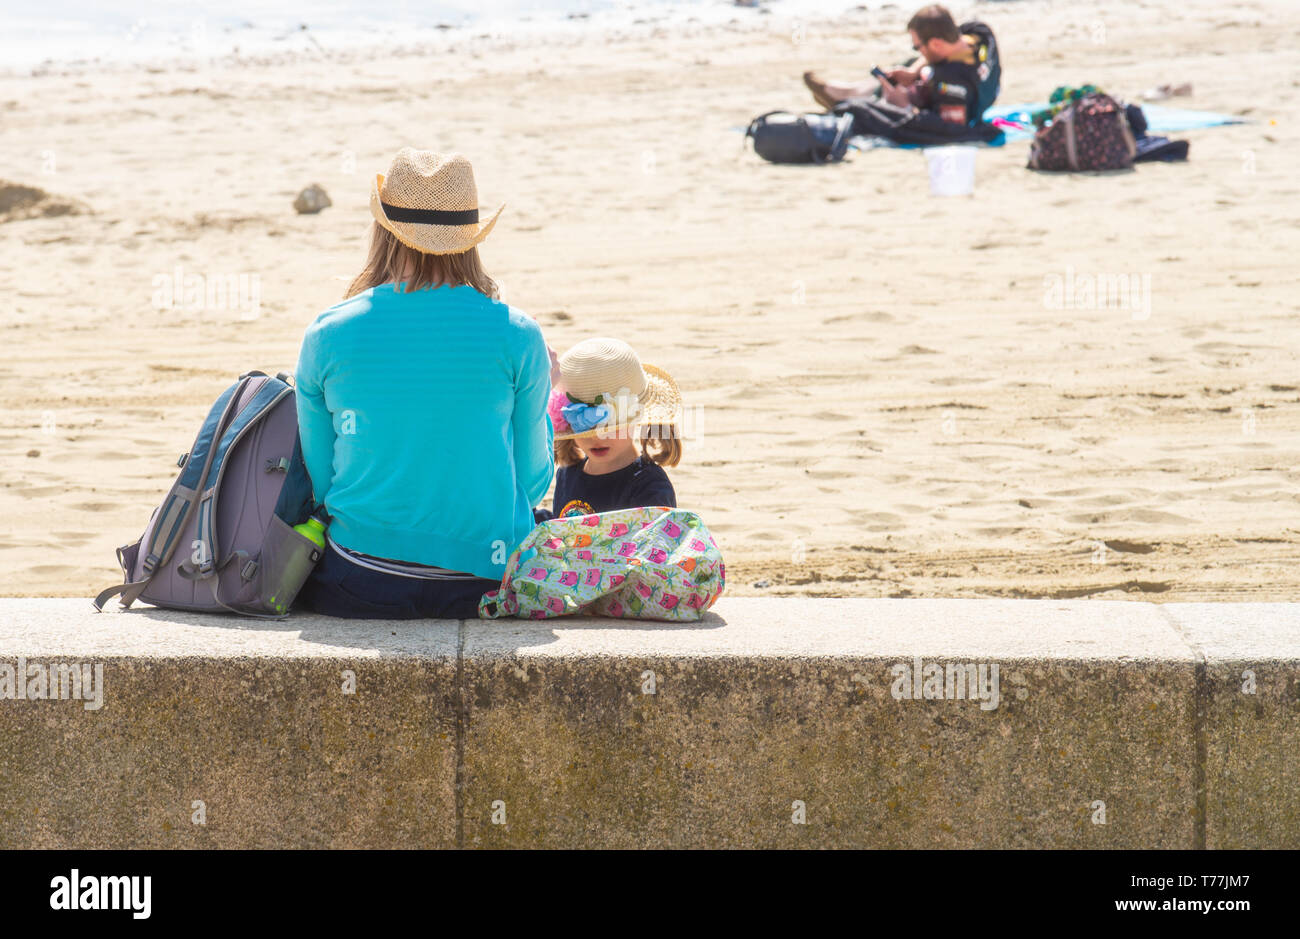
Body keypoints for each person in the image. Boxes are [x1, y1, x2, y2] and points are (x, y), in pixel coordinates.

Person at [294, 148, 555, 619]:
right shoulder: (519, 335)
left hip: (361, 576)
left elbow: (321, 480)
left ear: (384, 232)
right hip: (484, 580)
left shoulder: (327, 333)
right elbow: (534, 481)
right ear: (470, 237)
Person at [536, 337, 682, 520]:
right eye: (585, 427)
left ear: (635, 418)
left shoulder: (649, 486)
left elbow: (657, 544)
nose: (597, 437)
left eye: (610, 426)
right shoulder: (567, 474)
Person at [803, 5, 999, 129]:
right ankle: (854, 91)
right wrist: (914, 72)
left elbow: (948, 127)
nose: (918, 50)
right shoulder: (980, 32)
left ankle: (854, 97)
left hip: (960, 100)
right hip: (979, 84)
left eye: (918, 46)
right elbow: (947, 40)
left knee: (907, 84)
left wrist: (904, 106)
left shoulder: (952, 82)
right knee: (908, 67)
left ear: (937, 43)